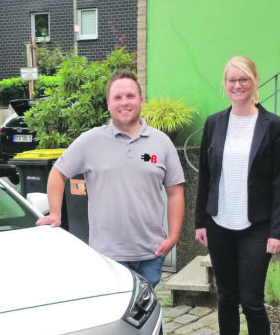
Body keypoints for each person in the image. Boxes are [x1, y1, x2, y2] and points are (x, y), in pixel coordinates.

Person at [194, 56, 280, 335]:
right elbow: (205, 175)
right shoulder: (215, 123)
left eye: (243, 79)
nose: (237, 85)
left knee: (252, 300)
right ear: (225, 83)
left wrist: (278, 231)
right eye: (231, 80)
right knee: (226, 297)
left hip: (256, 226)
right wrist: (200, 221)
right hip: (219, 221)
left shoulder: (273, 125)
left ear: (254, 81)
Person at [35, 69, 185, 286]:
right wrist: (56, 212)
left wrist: (173, 237)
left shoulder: (161, 143)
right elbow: (58, 173)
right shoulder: (90, 141)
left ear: (141, 100)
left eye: (130, 96)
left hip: (151, 253)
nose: (124, 102)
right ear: (108, 103)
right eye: (118, 97)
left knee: (146, 315)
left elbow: (175, 193)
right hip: (107, 255)